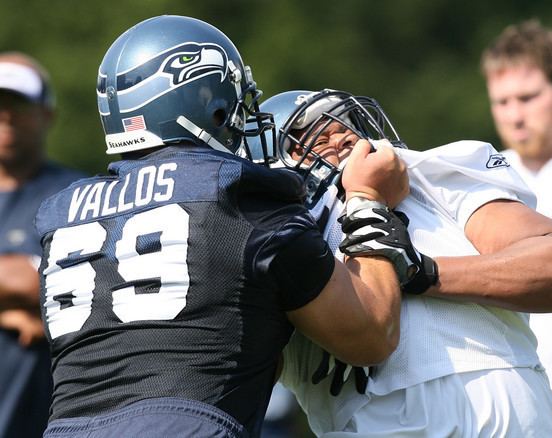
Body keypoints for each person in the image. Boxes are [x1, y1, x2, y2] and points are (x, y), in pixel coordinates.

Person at [35, 16, 419, 438]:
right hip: (183, 426)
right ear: (211, 102)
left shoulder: (62, 213)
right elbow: (371, 335)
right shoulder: (241, 195)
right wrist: (368, 198)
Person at [251, 88, 552, 437]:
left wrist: (422, 271)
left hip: (515, 413)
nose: (342, 139)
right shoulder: (271, 237)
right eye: (314, 139)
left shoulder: (428, 176)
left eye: (344, 127)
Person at [481, 19, 552, 436]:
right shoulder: (482, 177)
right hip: (515, 416)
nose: (515, 115)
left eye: (527, 97)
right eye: (502, 101)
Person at [0, 51, 86, 437]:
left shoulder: (76, 196)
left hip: (47, 420)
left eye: (18, 104)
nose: (6, 115)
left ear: (46, 113)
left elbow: (88, 289)